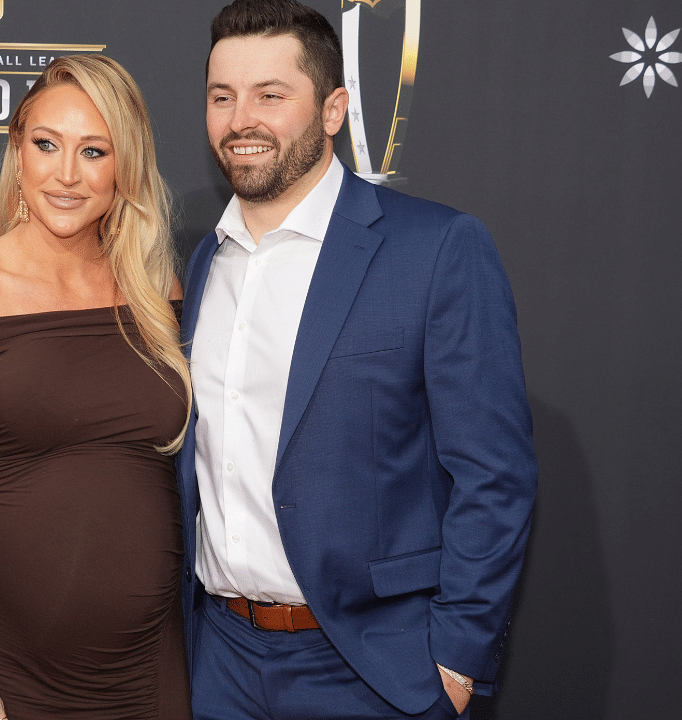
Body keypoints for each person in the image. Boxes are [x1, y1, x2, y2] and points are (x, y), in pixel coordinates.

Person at [177, 2, 538, 719]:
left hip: (374, 669)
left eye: (271, 95)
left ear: (333, 109)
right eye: (223, 97)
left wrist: (456, 658)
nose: (241, 119)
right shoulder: (204, 263)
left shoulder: (434, 249)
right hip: (221, 660)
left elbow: (495, 474)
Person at [0, 54, 192, 720]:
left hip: (147, 672)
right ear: (17, 151)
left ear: (126, 165)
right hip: (2, 677)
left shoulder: (156, 293)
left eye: (94, 151)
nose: (65, 175)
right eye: (46, 144)